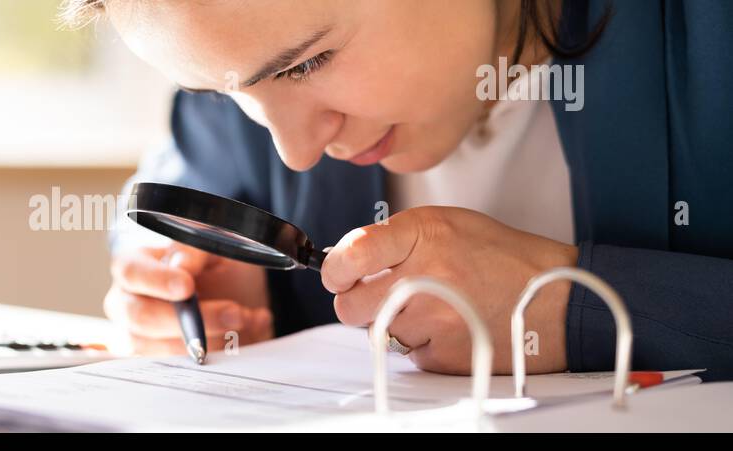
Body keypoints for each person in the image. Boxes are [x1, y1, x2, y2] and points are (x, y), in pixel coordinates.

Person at [64, 0, 733, 380]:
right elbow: (175, 194)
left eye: (309, 63)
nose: (294, 151)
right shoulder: (244, 50)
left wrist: (571, 306)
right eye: (217, 89)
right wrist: (196, 286)